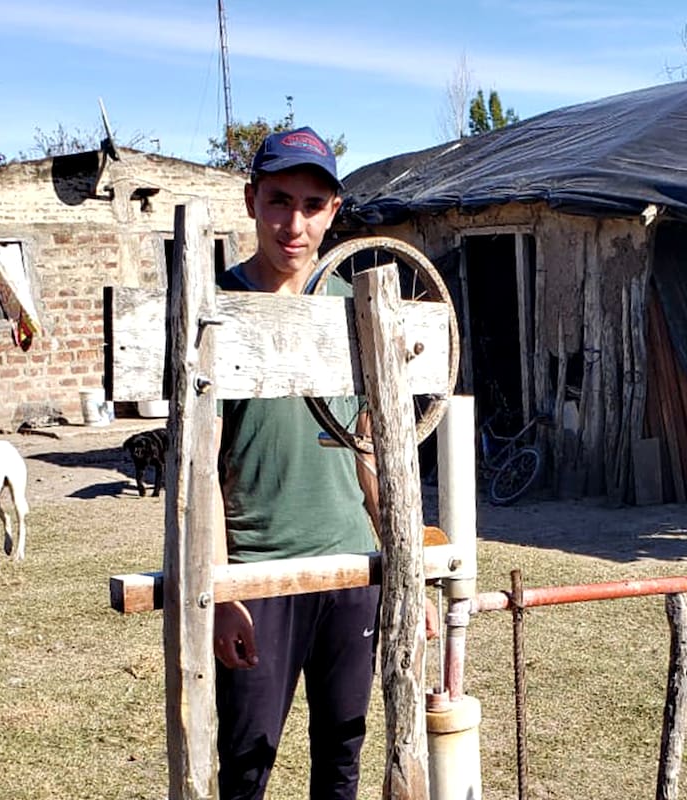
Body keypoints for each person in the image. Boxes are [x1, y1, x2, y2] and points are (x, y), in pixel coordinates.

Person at [210, 125, 383, 800]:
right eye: (280, 200)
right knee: (248, 761)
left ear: (333, 213)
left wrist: (401, 566)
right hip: (259, 576)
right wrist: (224, 595)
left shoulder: (353, 308)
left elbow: (369, 443)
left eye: (312, 206)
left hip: (350, 568)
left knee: (343, 754)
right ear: (252, 200)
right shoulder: (215, 308)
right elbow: (196, 476)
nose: (294, 223)